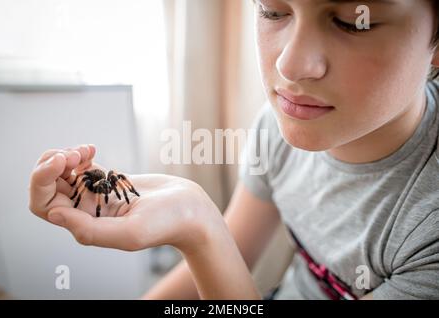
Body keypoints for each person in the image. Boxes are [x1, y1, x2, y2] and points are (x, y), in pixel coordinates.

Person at [29, 0, 439, 300]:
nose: (290, 66)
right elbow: (235, 251)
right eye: (273, 11)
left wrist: (199, 231)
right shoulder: (280, 126)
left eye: (353, 23)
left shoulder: (429, 226)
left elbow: (218, 247)